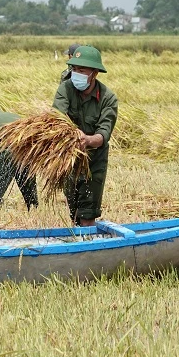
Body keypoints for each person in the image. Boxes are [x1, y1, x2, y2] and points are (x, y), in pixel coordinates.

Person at [52, 45, 118, 227]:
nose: (76, 74)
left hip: (94, 159)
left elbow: (104, 134)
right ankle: (78, 242)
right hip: (69, 157)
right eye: (74, 69)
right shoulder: (66, 89)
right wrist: (71, 137)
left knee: (87, 211)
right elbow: (57, 117)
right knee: (74, 210)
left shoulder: (108, 98)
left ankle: (88, 245)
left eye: (81, 70)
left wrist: (87, 140)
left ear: (94, 73)